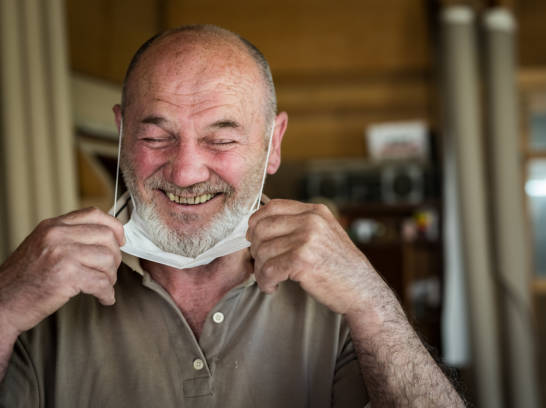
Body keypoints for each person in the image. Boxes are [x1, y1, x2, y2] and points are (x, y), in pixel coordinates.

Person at [0, 25, 464, 407]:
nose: (184, 173)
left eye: (221, 140)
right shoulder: (46, 294)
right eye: (156, 137)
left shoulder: (334, 299)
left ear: (273, 143)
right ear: (122, 134)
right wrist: (4, 307)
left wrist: (371, 301)